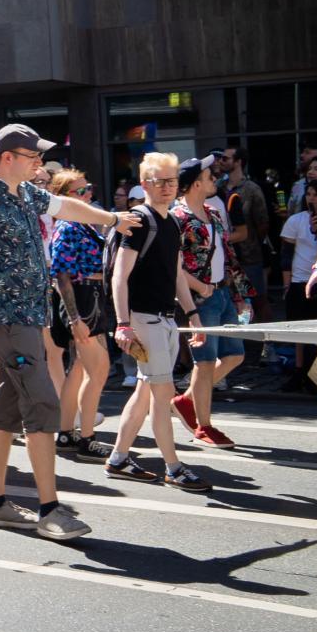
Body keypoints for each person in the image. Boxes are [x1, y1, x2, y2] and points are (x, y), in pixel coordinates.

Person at [0, 124, 136, 539]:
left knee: (3, 412)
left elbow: (65, 206)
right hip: (4, 318)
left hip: (27, 317)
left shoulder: (23, 192)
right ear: (7, 158)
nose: (40, 162)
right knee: (43, 405)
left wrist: (112, 219)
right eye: (32, 155)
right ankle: (50, 510)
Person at [103, 153, 211, 491]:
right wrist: (123, 323)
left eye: (172, 181)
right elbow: (119, 278)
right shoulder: (138, 221)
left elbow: (177, 272)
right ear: (146, 184)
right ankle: (174, 467)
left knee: (146, 391)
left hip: (163, 319)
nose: (167, 187)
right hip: (143, 319)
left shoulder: (172, 222)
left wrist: (192, 314)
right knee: (162, 394)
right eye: (160, 181)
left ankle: (119, 459)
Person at [171, 156, 253, 448]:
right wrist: (199, 287)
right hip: (199, 299)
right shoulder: (177, 219)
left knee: (235, 355)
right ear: (195, 184)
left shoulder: (213, 213)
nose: (214, 180)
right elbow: (171, 265)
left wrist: (241, 296)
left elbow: (229, 257)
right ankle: (204, 426)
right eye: (208, 177)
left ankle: (187, 399)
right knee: (204, 363)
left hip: (222, 294)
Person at [47, 170, 114, 461]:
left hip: (91, 299)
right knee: (98, 369)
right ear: (63, 198)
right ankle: (86, 438)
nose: (88, 195)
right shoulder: (68, 226)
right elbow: (61, 275)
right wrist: (74, 319)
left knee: (78, 368)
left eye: (88, 189)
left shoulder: (83, 224)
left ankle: (65, 433)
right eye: (80, 191)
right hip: (82, 300)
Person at [221, 147, 270, 321]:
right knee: (234, 302)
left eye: (226, 159)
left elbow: (263, 223)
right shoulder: (219, 188)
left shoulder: (252, 189)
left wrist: (251, 241)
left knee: (258, 299)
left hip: (249, 256)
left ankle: (267, 344)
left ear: (238, 161)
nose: (222, 161)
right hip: (226, 257)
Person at [281, 180, 317, 321]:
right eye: (308, 194)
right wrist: (287, 285)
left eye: (316, 195)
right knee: (298, 325)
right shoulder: (295, 220)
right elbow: (287, 255)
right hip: (300, 281)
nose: (311, 198)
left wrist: (316, 230)